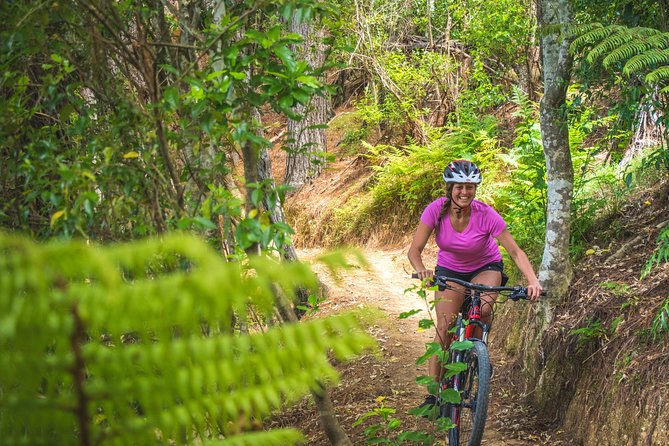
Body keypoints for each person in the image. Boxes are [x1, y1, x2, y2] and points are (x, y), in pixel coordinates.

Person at [407, 160, 542, 410]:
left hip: (485, 267)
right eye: (459, 186)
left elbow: (515, 251)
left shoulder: (485, 213)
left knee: (484, 308)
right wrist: (421, 270)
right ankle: (434, 393)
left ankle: (476, 355)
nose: (465, 192)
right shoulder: (436, 210)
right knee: (445, 326)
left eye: (470, 187)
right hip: (449, 269)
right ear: (450, 188)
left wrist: (533, 280)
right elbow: (414, 250)